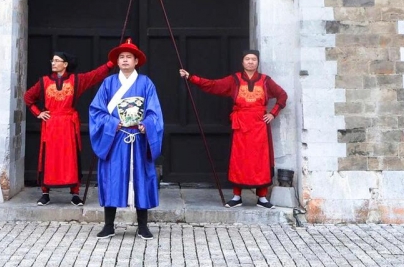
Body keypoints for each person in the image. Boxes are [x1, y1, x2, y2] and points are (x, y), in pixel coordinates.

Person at [180, 49, 287, 208]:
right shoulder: (234, 80)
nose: (250, 62)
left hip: (259, 126)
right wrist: (192, 78)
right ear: (242, 62)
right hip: (241, 125)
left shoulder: (265, 80)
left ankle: (262, 197)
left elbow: (282, 95)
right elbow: (213, 85)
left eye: (253, 59)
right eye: (247, 59)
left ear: (258, 62)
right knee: (239, 159)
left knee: (261, 160)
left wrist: (273, 113)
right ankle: (237, 196)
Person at [89, 38, 163, 239]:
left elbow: (154, 112)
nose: (124, 60)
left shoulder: (146, 83)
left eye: (129, 57)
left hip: (138, 139)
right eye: (121, 57)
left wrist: (145, 124)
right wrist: (114, 124)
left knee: (141, 178)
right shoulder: (108, 83)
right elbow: (96, 111)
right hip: (116, 139)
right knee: (112, 178)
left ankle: (143, 225)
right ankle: (109, 225)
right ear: (117, 61)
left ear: (136, 61)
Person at [23, 51, 115, 205]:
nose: (53, 63)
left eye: (57, 61)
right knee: (49, 157)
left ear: (65, 64)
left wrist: (110, 64)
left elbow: (95, 75)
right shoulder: (43, 82)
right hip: (51, 125)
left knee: (71, 157)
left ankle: (75, 194)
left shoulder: (76, 80)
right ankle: (45, 193)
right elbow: (28, 97)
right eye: (52, 60)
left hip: (68, 125)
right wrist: (38, 113)